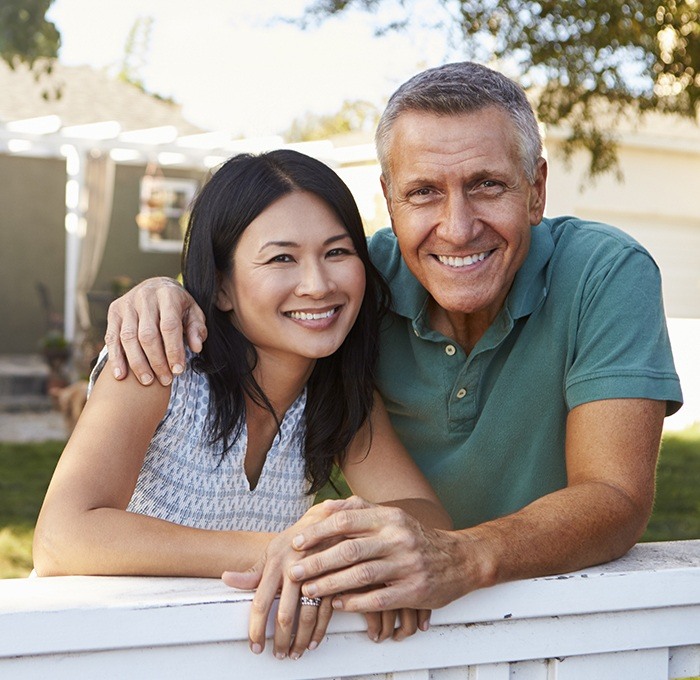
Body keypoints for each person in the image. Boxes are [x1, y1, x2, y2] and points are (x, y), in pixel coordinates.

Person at [103, 62, 683, 616]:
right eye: (424, 191)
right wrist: (167, 293)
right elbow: (253, 287)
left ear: (536, 189)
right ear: (389, 199)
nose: (457, 228)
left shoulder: (605, 274)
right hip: (387, 624)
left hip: (548, 614)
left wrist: (457, 558)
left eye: (486, 185)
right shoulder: (358, 284)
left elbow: (615, 495)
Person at [33, 149, 452, 660]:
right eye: (281, 258)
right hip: (95, 650)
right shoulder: (161, 364)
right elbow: (62, 536)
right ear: (223, 286)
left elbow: (430, 520)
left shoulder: (340, 396)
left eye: (337, 252)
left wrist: (335, 539)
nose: (318, 284)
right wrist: (290, 552)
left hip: (229, 658)